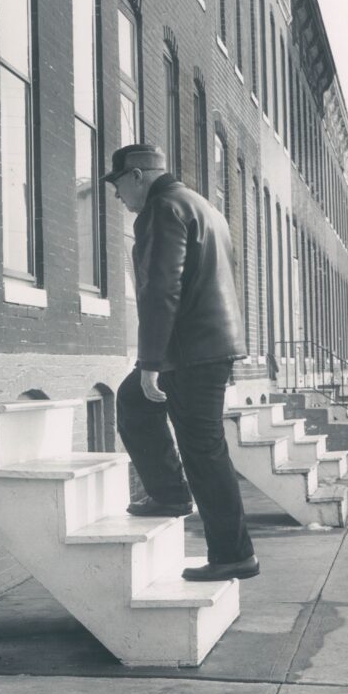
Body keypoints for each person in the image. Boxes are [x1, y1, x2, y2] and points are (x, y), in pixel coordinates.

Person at [103, 144, 258, 582]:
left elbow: (161, 289)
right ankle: (169, 494)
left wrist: (150, 360)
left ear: (136, 176)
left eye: (118, 185)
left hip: (189, 352)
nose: (118, 197)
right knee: (134, 401)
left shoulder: (161, 208)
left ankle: (234, 553)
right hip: (208, 345)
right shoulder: (201, 205)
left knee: (203, 450)